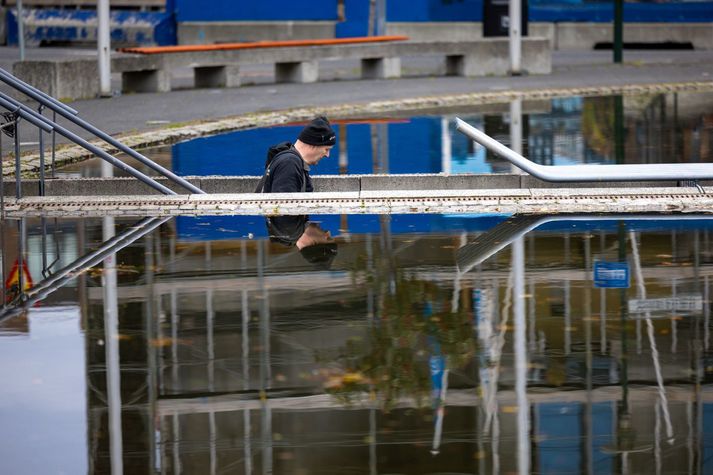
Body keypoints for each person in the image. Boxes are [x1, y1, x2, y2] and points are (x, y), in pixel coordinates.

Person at [257, 116, 336, 193]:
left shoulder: (292, 161)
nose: (327, 155)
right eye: (326, 149)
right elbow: (284, 205)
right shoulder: (289, 163)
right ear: (313, 144)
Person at [267, 215, 338, 269]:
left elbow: (282, 197)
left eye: (328, 238)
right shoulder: (290, 234)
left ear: (314, 244)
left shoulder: (291, 230)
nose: (328, 232)